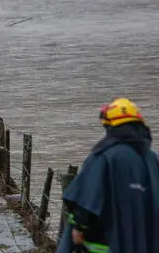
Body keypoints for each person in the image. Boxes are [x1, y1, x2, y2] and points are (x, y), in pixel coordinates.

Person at [57, 98, 159, 253]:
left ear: (111, 127)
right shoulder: (152, 159)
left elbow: (84, 206)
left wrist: (78, 229)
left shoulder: (104, 157)